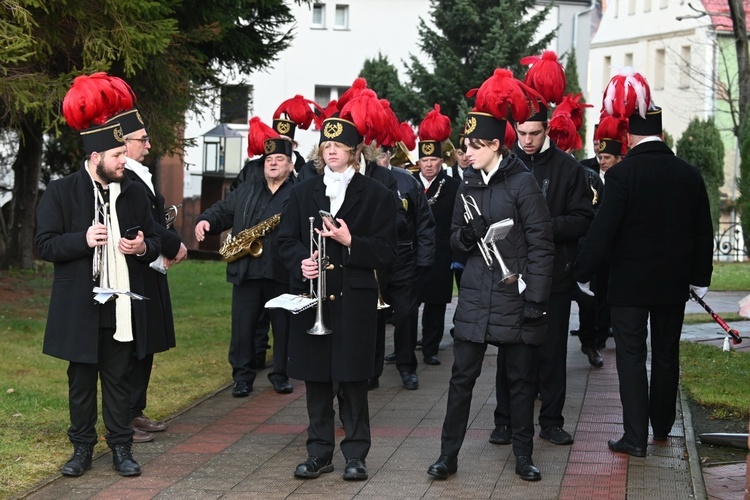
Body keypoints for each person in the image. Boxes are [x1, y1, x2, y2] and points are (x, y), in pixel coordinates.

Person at [574, 72, 713, 457]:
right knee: (667, 353)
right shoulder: (689, 174)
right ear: (662, 135)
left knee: (632, 358)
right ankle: (663, 427)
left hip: (630, 287)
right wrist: (700, 280)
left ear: (629, 137)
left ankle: (635, 438)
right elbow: (704, 232)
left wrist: (583, 273)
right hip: (673, 285)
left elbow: (602, 231)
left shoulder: (621, 175)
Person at [427, 68, 554, 482]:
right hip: (477, 296)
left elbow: (541, 245)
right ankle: (448, 456)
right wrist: (465, 235)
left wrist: (536, 300)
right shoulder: (466, 183)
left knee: (520, 382)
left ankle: (523, 456)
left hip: (514, 297)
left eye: (475, 145)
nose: (467, 151)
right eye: (466, 144)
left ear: (496, 145)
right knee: (461, 378)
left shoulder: (523, 184)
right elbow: (454, 241)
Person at [37, 74, 161, 477]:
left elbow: (156, 238)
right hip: (79, 305)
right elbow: (44, 245)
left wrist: (142, 247)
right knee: (80, 383)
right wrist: (82, 239)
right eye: (117, 156)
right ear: (96, 157)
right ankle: (82, 450)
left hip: (121, 305)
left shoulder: (134, 192)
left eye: (124, 154)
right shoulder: (60, 192)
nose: (124, 161)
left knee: (119, 379)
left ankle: (122, 449)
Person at [278, 109, 397, 481]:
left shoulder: (377, 193)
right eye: (327, 146)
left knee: (352, 380)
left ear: (355, 151)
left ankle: (356, 454)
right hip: (314, 297)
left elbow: (388, 250)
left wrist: (350, 242)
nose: (332, 152)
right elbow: (285, 241)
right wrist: (301, 262)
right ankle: (318, 453)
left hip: (355, 301)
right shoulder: (301, 192)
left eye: (340, 146)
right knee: (316, 381)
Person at [489, 101, 594, 448]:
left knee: (551, 353)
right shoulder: (503, 166)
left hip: (554, 275)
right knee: (508, 350)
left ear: (547, 129)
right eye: (521, 133)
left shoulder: (568, 168)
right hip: (510, 274)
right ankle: (503, 422)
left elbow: (582, 218)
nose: (527, 140)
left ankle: (551, 421)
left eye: (534, 133)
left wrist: (543, 225)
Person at [195, 118, 296, 396]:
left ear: (290, 164)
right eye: (268, 160)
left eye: (279, 159)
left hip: (281, 271)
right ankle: (242, 377)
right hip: (247, 270)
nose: (272, 164)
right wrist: (206, 221)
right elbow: (223, 210)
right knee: (243, 329)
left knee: (284, 328)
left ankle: (281, 374)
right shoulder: (248, 188)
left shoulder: (300, 193)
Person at [105, 106, 188, 443]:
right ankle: (124, 415)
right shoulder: (126, 175)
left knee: (148, 341)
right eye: (143, 139)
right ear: (124, 143)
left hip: (148, 260)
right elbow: (147, 222)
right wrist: (175, 244)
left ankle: (135, 410)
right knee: (134, 342)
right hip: (134, 268)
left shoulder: (140, 172)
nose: (149, 145)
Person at [378, 142, 436, 390]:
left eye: (380, 153)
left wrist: (423, 259)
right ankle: (370, 370)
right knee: (371, 318)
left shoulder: (407, 180)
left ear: (389, 154)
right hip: (371, 260)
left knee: (406, 315)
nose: (376, 158)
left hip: (403, 258)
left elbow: (424, 222)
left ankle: (406, 366)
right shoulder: (357, 179)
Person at [574, 116, 627, 365]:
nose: (602, 161)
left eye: (607, 158)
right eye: (601, 157)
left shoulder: (624, 178)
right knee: (589, 297)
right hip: (590, 245)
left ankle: (602, 336)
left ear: (618, 159)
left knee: (607, 295)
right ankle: (589, 343)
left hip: (615, 250)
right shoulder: (584, 170)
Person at [413, 105, 460, 368]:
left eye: (433, 160)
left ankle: (430, 348)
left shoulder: (453, 186)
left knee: (435, 305)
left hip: (441, 253)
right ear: (418, 162)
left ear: (441, 161)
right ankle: (404, 347)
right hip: (412, 253)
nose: (429, 164)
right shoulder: (408, 183)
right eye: (424, 160)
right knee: (408, 304)